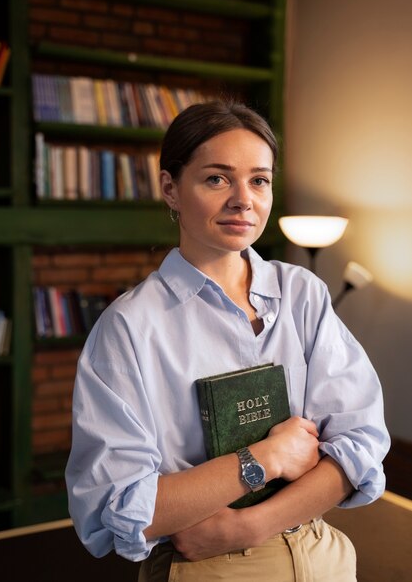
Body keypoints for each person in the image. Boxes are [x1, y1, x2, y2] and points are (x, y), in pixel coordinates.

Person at [65, 100, 390, 582]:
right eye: (217, 178)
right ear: (170, 188)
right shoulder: (129, 328)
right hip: (203, 568)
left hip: (320, 552)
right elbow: (124, 507)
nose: (244, 199)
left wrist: (246, 525)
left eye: (259, 180)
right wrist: (267, 457)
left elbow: (358, 445)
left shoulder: (303, 294)